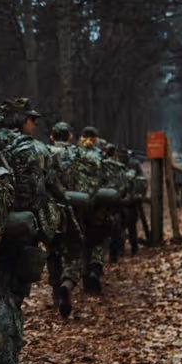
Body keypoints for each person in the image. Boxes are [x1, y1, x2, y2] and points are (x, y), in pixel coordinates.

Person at [0, 98, 57, 364]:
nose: (34, 124)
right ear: (20, 120)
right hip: (16, 233)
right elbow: (36, 192)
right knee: (9, 300)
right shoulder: (24, 148)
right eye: (31, 119)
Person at [47, 121, 83, 317]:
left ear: (52, 137)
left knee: (52, 251)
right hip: (73, 210)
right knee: (74, 251)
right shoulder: (78, 154)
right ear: (70, 137)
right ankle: (68, 282)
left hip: (51, 212)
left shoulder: (44, 152)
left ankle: (55, 293)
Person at [77, 126, 106, 294]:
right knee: (98, 239)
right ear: (96, 139)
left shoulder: (74, 154)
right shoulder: (100, 155)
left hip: (77, 203)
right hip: (96, 204)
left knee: (82, 240)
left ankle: (84, 273)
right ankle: (95, 270)